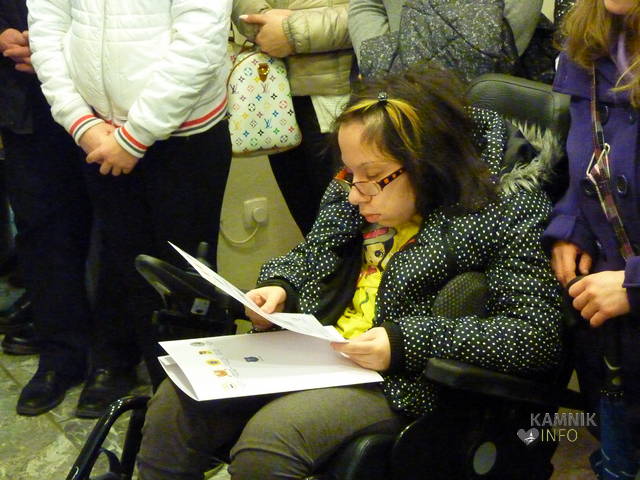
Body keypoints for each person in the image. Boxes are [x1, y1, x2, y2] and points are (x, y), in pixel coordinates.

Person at [136, 66, 563, 480]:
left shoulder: (508, 210)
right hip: (324, 352)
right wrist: (281, 287)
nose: (355, 194)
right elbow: (312, 254)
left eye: (372, 177)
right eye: (349, 173)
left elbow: (536, 336)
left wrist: (406, 342)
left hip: (403, 377)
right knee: (177, 401)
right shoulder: (356, 188)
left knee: (270, 443)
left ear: (427, 164)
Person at [26, 0, 233, 417]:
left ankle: (203, 418)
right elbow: (47, 29)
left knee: (185, 283)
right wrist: (79, 122)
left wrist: (135, 136)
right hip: (100, 132)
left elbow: (200, 40)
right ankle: (163, 408)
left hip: (183, 135)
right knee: (132, 275)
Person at [543, 0, 640, 476]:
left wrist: (635, 284)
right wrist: (572, 224)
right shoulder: (591, 42)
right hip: (614, 332)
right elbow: (589, 161)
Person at [0, 0, 93, 415]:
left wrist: (58, 50)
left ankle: (116, 358)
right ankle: (61, 356)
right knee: (42, 231)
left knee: (118, 232)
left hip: (109, 92)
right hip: (23, 94)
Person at [232, 0, 352, 236]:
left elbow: (381, 13)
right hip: (276, 94)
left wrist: (292, 31)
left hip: (340, 93)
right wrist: (264, 25)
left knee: (354, 230)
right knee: (311, 230)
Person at [348, 0, 544, 82]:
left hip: (480, 91)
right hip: (390, 86)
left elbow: (510, 29)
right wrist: (383, 67)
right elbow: (366, 5)